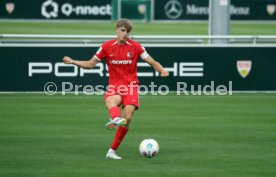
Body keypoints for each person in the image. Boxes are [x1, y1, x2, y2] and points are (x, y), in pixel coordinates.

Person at [63, 19, 169, 160]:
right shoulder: (106, 46)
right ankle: (115, 118)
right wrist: (73, 61)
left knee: (128, 117)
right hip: (115, 85)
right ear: (117, 29)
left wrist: (161, 69)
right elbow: (90, 64)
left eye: (128, 32)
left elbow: (152, 61)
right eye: (123, 30)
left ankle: (112, 151)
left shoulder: (136, 47)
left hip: (131, 86)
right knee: (110, 100)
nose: (125, 34)